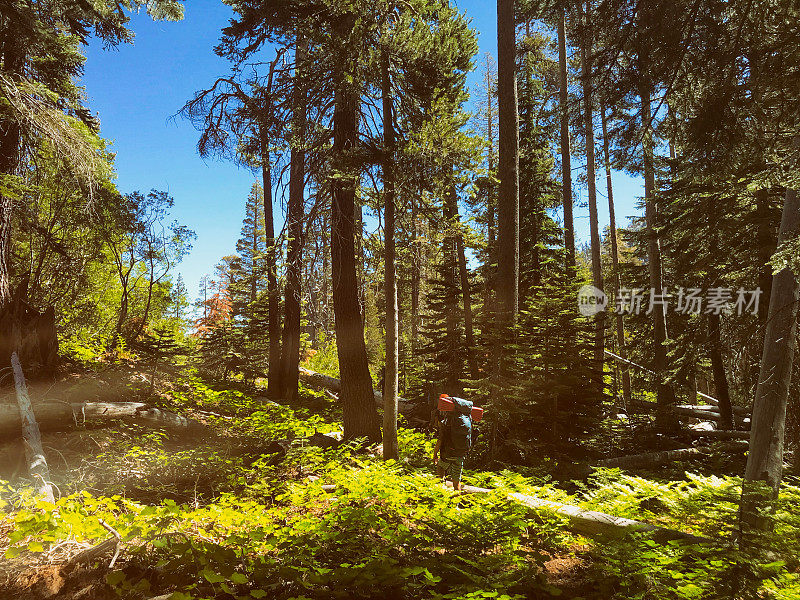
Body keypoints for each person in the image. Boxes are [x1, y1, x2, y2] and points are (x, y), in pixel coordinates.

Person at [433, 396, 473, 491]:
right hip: (460, 454)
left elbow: (440, 440)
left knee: (440, 467)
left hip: (448, 453)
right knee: (457, 482)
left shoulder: (446, 422)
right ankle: (456, 502)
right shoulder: (467, 419)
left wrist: (435, 454)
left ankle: (440, 491)